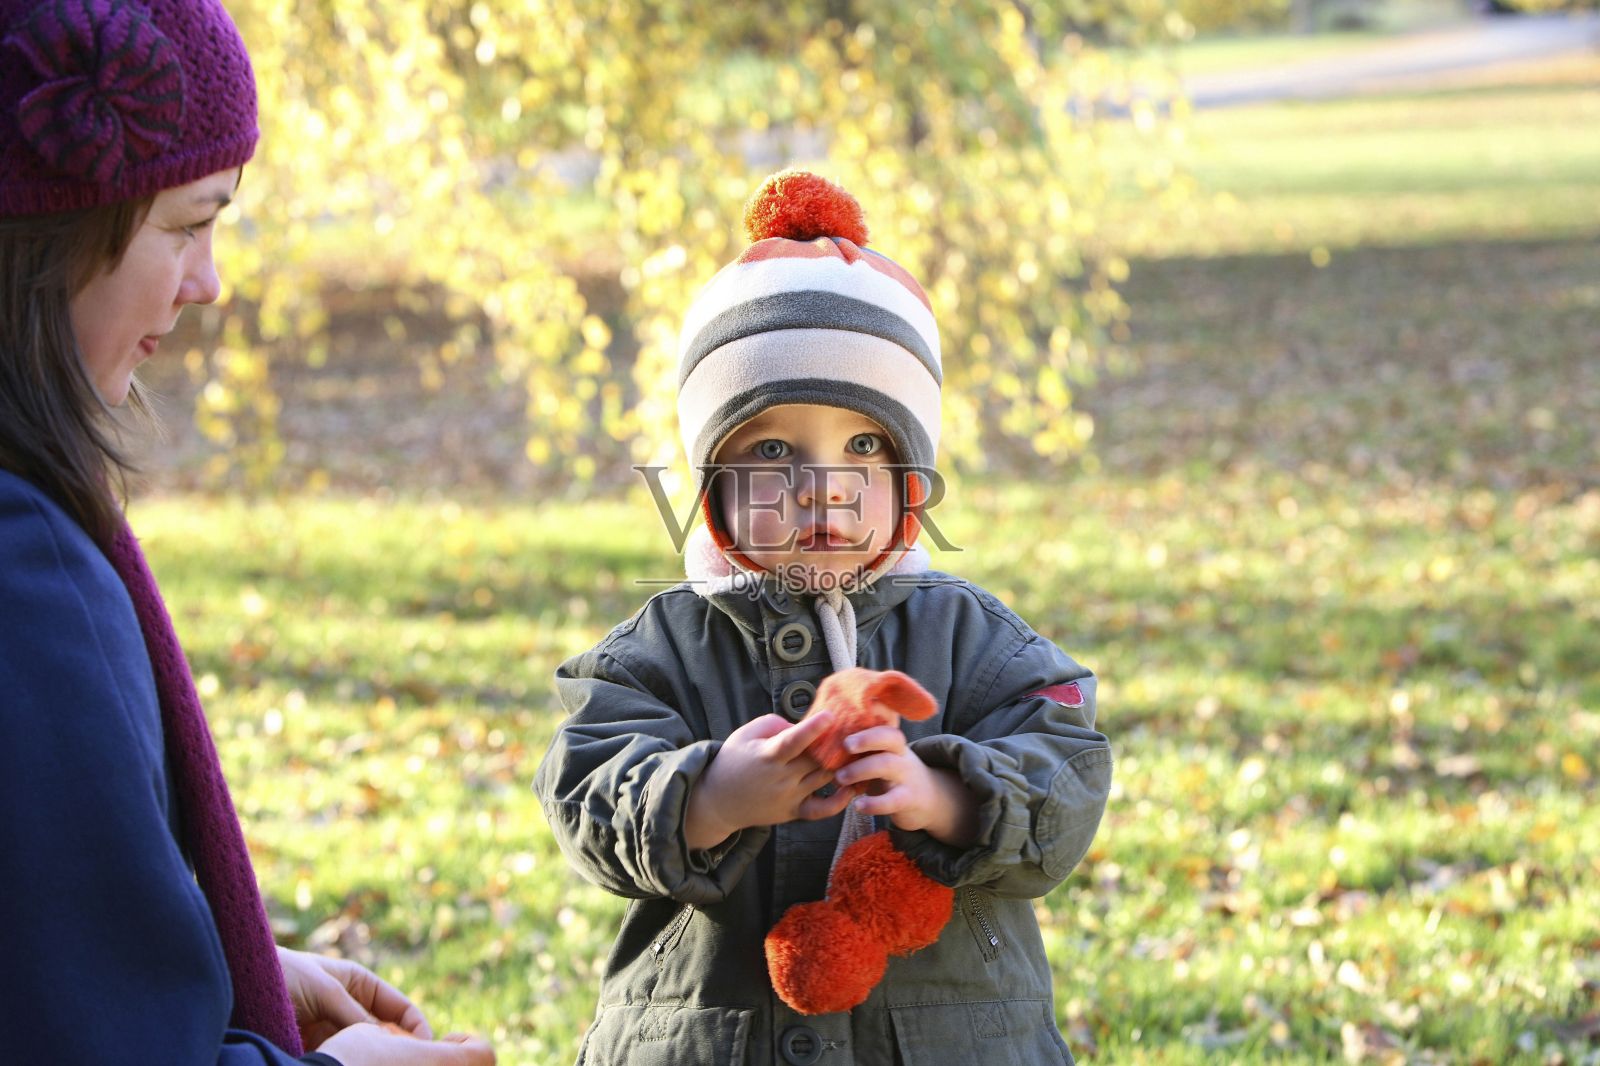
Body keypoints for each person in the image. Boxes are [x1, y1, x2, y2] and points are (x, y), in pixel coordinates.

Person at [0, 1, 494, 1063]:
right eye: (187, 222)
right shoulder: (27, 574)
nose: (208, 280)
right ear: (51, 227)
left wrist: (225, 965)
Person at [535, 170, 1114, 1065]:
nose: (824, 487)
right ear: (711, 487)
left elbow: (1068, 769)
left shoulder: (968, 634)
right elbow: (585, 792)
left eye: (863, 446)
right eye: (773, 449)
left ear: (910, 480)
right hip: (713, 1038)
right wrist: (712, 797)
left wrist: (944, 797)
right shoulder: (657, 651)